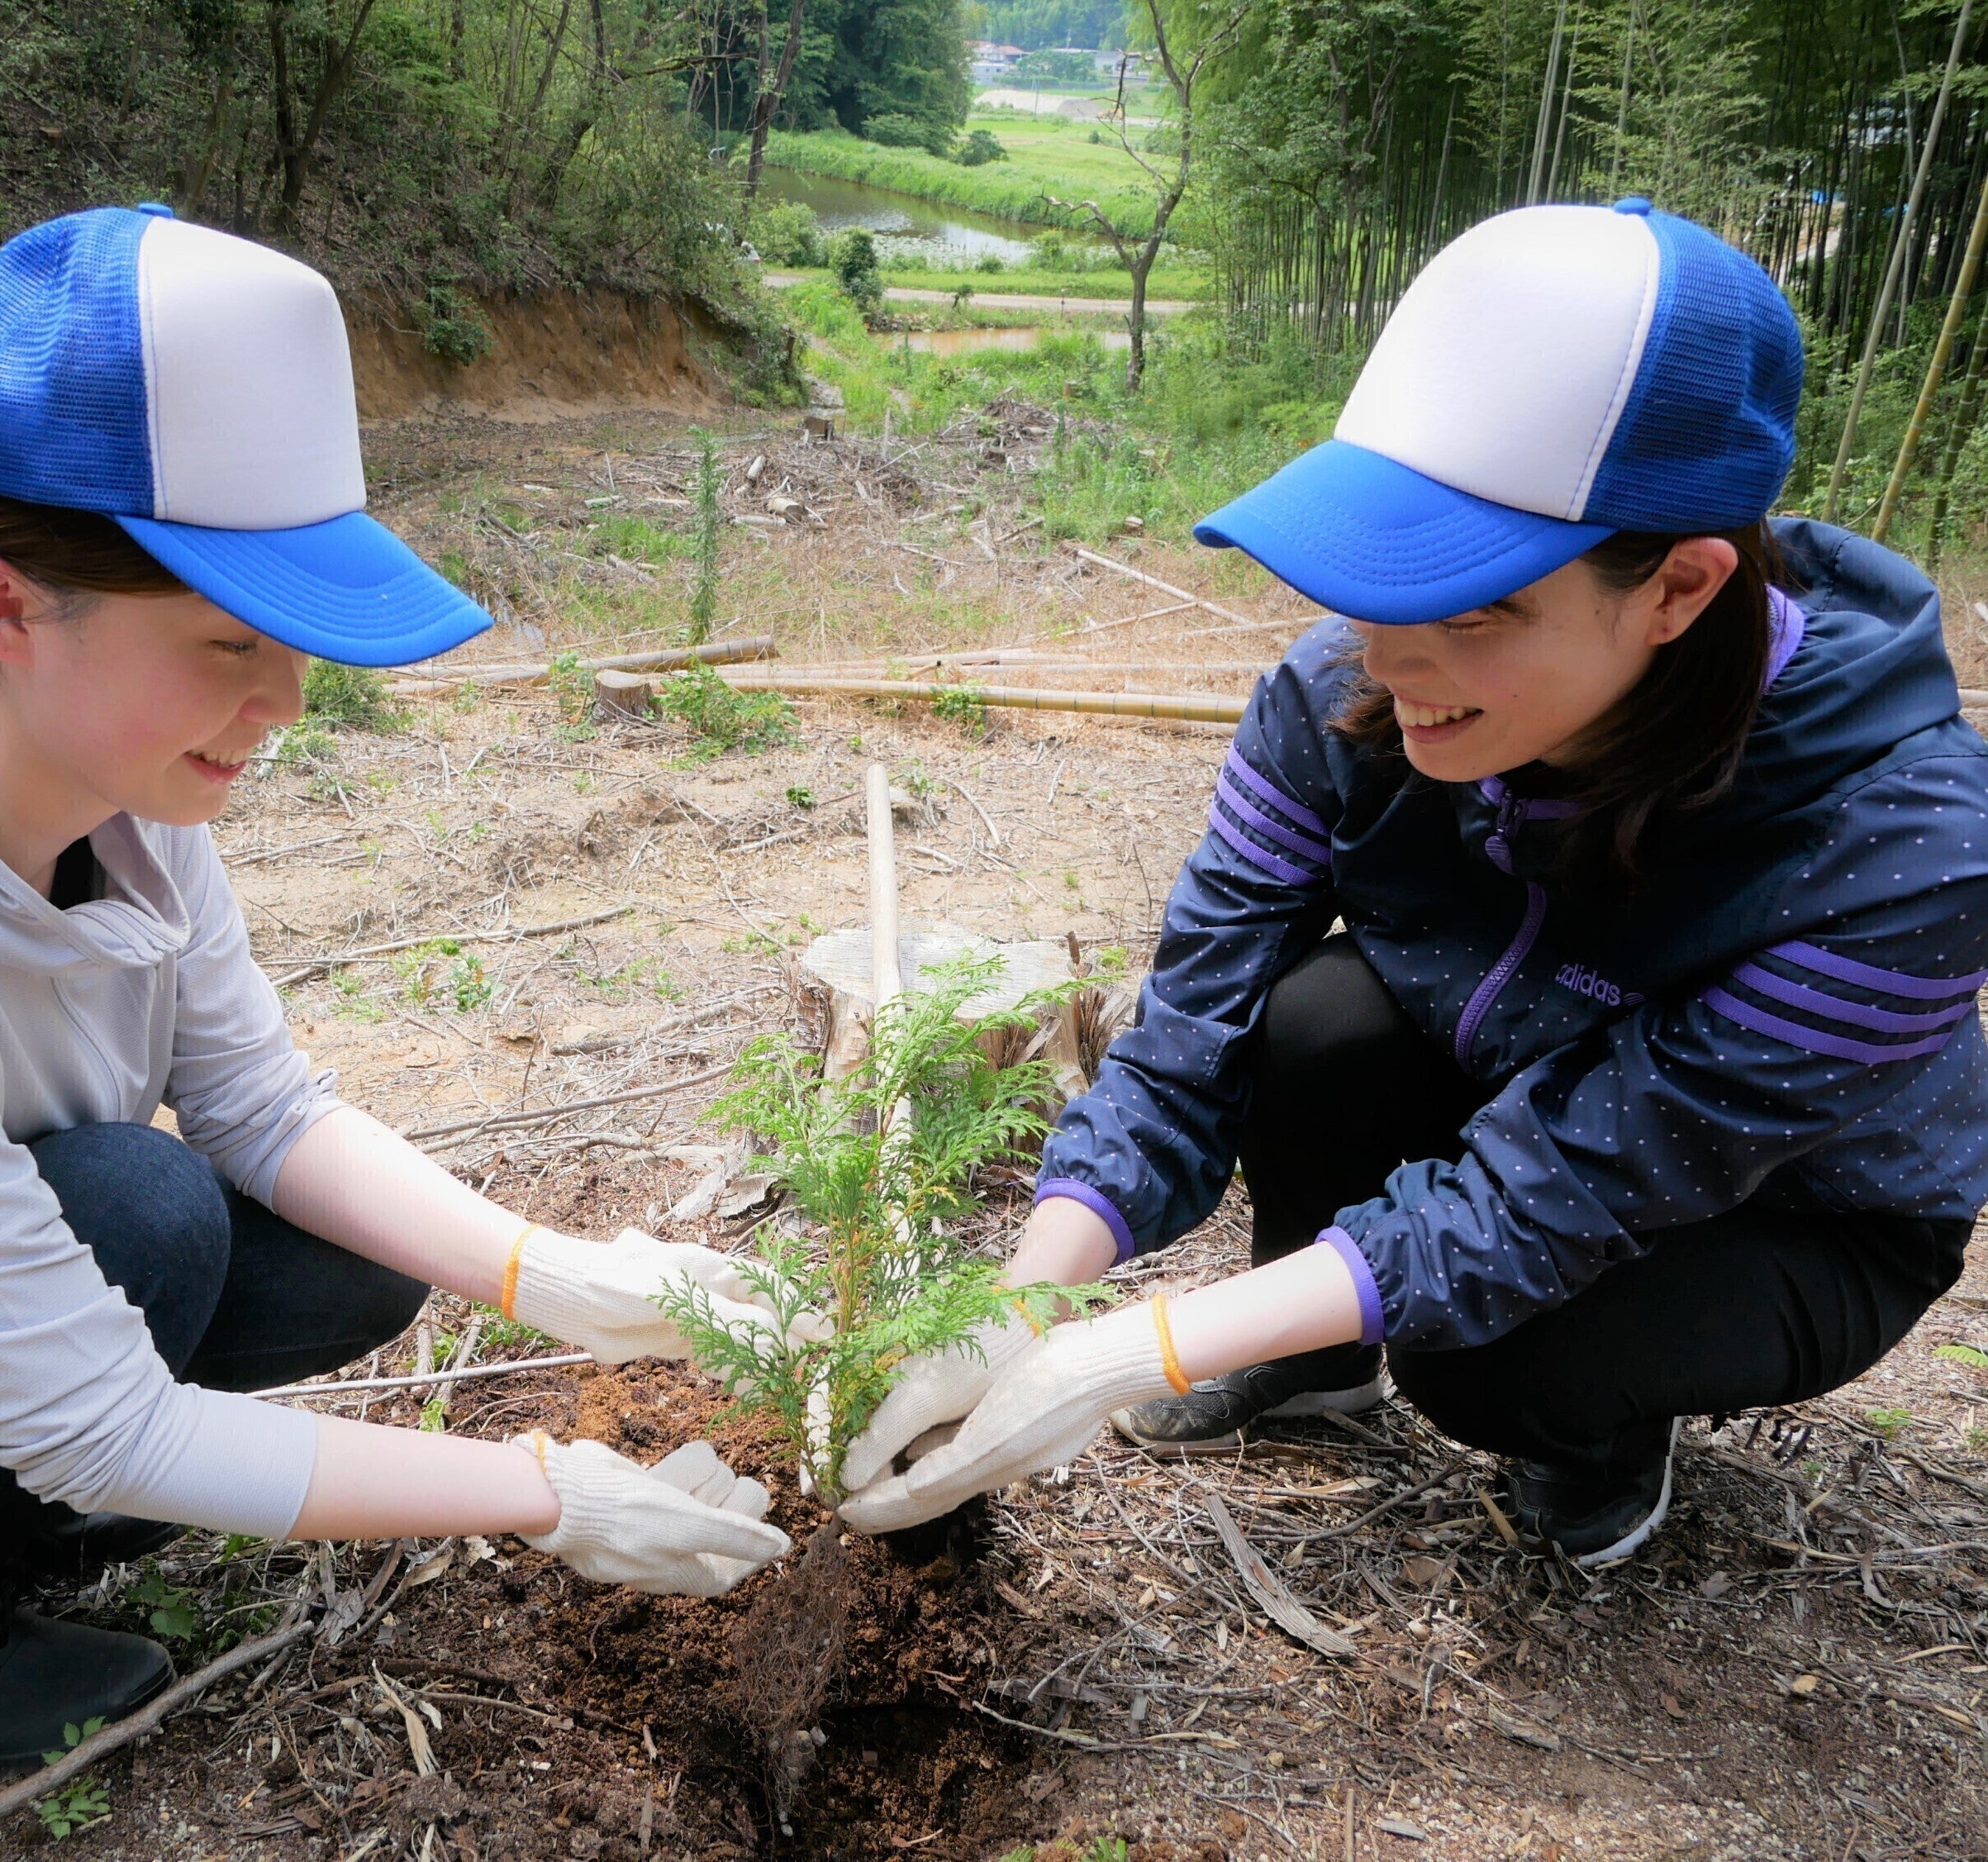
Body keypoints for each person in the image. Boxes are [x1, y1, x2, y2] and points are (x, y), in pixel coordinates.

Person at [0, 205, 789, 1769]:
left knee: (350, 1260)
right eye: (230, 642)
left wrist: (556, 1273)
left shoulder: (123, 791)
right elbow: (98, 1419)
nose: (285, 700)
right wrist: (544, 1492)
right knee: (137, 1210)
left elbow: (263, 1106)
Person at [838, 198, 1988, 1569]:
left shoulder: (1900, 845)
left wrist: (1139, 1350)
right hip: (1512, 1062)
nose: (1385, 661)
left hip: (1782, 1203)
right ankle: (1313, 1358)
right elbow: (1190, 1039)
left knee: (1495, 1351)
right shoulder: (1342, 687)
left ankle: (1603, 1428)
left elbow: (1568, 1185)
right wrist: (1026, 1304)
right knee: (1307, 1023)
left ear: (1680, 589)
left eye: (1473, 605)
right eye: (1383, 574)